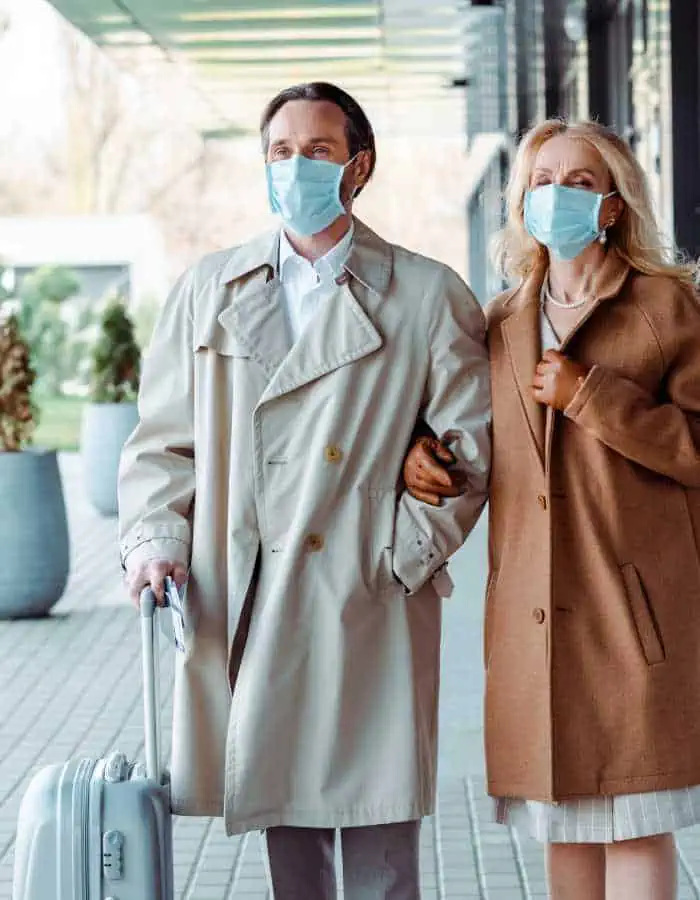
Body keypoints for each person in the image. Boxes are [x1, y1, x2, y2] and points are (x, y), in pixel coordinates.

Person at [118, 81, 491, 899]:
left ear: (359, 166)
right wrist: (157, 543)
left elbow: (468, 452)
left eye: (317, 150)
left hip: (366, 595)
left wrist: (400, 559)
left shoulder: (427, 294)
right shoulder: (209, 290)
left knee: (381, 842)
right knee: (288, 835)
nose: (296, 167)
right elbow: (162, 443)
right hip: (252, 592)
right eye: (280, 152)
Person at [403, 118, 700, 900]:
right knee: (559, 825)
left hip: (633, 612)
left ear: (611, 204)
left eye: (578, 181)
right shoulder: (499, 322)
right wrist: (424, 460)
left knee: (635, 820)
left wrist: (592, 398)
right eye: (541, 181)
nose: (557, 195)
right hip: (535, 616)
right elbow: (481, 449)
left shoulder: (667, 306)